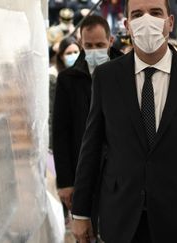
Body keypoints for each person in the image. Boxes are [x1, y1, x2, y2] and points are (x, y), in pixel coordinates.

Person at [70, 0, 177, 242]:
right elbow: (91, 147)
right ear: (127, 25)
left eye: (155, 12)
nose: (146, 20)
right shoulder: (106, 77)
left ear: (170, 21)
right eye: (137, 14)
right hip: (120, 215)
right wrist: (80, 212)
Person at [52, 15, 122, 224]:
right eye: (89, 45)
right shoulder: (68, 80)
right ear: (81, 43)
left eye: (100, 45)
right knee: (86, 228)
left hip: (121, 169)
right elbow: (61, 132)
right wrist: (65, 182)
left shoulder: (126, 70)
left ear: (110, 41)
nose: (94, 51)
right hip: (82, 169)